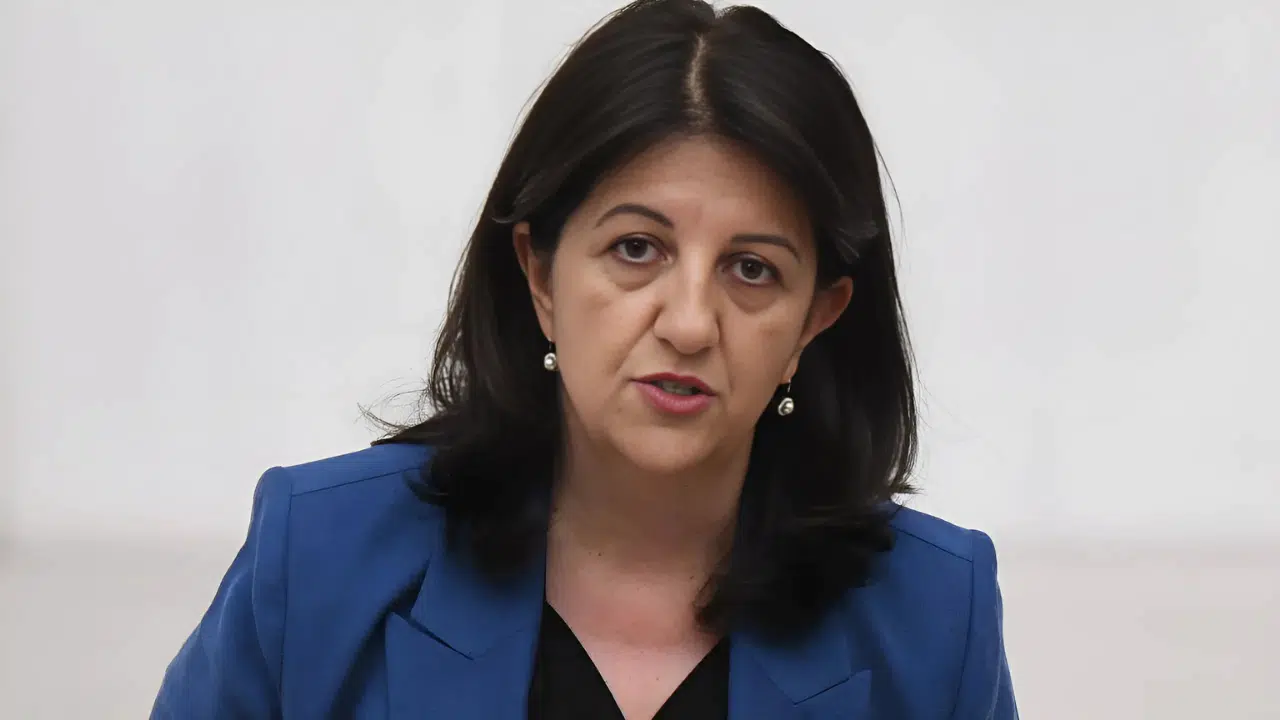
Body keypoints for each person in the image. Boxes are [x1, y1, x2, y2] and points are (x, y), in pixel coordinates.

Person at [151, 0, 1018, 717]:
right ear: (539, 275)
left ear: (814, 321)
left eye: (752, 269)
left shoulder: (938, 617)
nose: (690, 323)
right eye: (637, 249)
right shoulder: (318, 558)